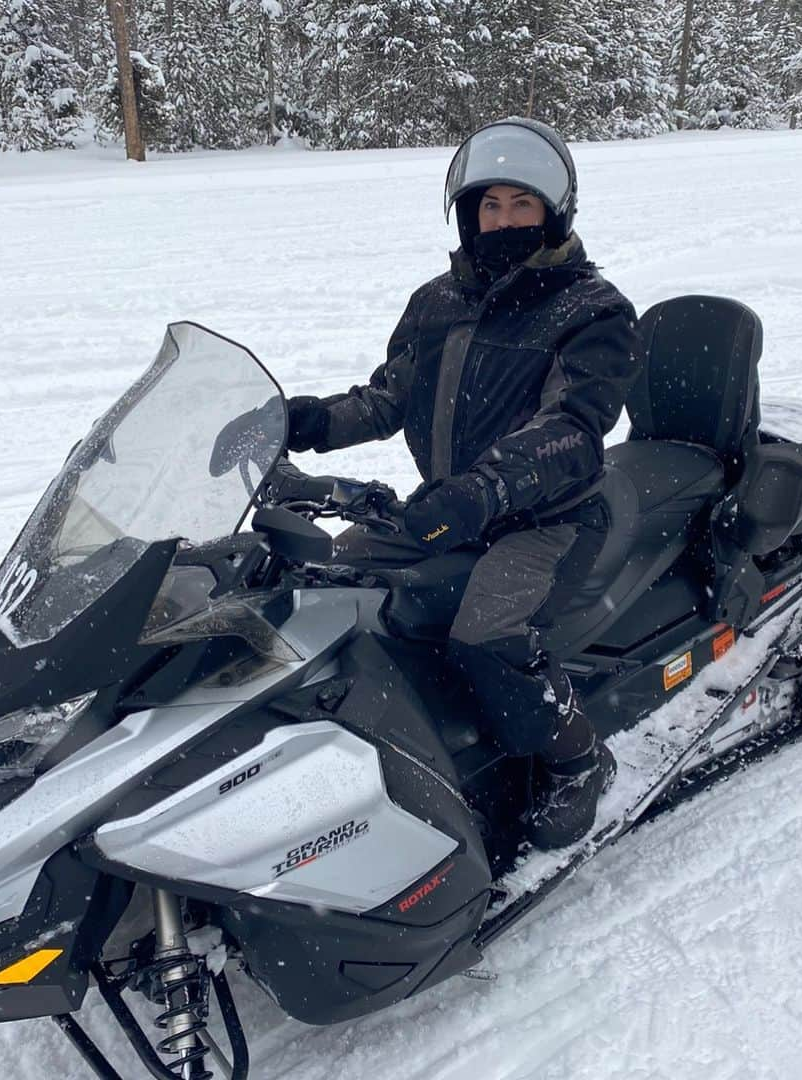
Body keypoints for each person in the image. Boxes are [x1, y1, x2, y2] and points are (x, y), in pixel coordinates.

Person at [284, 118, 645, 849]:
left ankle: (576, 759)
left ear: (553, 212)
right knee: (320, 577)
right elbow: (389, 397)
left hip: (547, 519)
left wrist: (484, 489)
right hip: (450, 506)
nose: (504, 220)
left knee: (486, 631)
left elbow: (574, 428)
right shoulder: (438, 302)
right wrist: (304, 423)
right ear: (467, 213)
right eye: (491, 206)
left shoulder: (593, 310)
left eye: (522, 204)